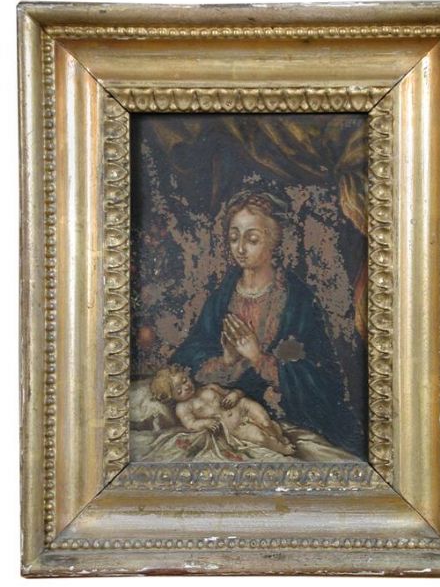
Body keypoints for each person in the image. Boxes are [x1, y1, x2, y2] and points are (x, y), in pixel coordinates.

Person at [171, 190, 366, 458]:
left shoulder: (296, 299)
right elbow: (188, 356)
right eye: (234, 238)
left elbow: (321, 379)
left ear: (273, 241)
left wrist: (259, 359)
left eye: (252, 239)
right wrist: (225, 361)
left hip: (279, 415)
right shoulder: (223, 296)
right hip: (225, 413)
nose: (240, 248)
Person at [151, 364, 296, 456]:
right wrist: (206, 423)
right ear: (172, 397)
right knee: (260, 437)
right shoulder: (183, 408)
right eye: (179, 390)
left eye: (184, 381)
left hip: (242, 406)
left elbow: (234, 392)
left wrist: (235, 395)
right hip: (235, 426)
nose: (186, 387)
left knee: (265, 422)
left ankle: (279, 437)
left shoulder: (208, 387)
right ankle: (280, 448)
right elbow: (190, 424)